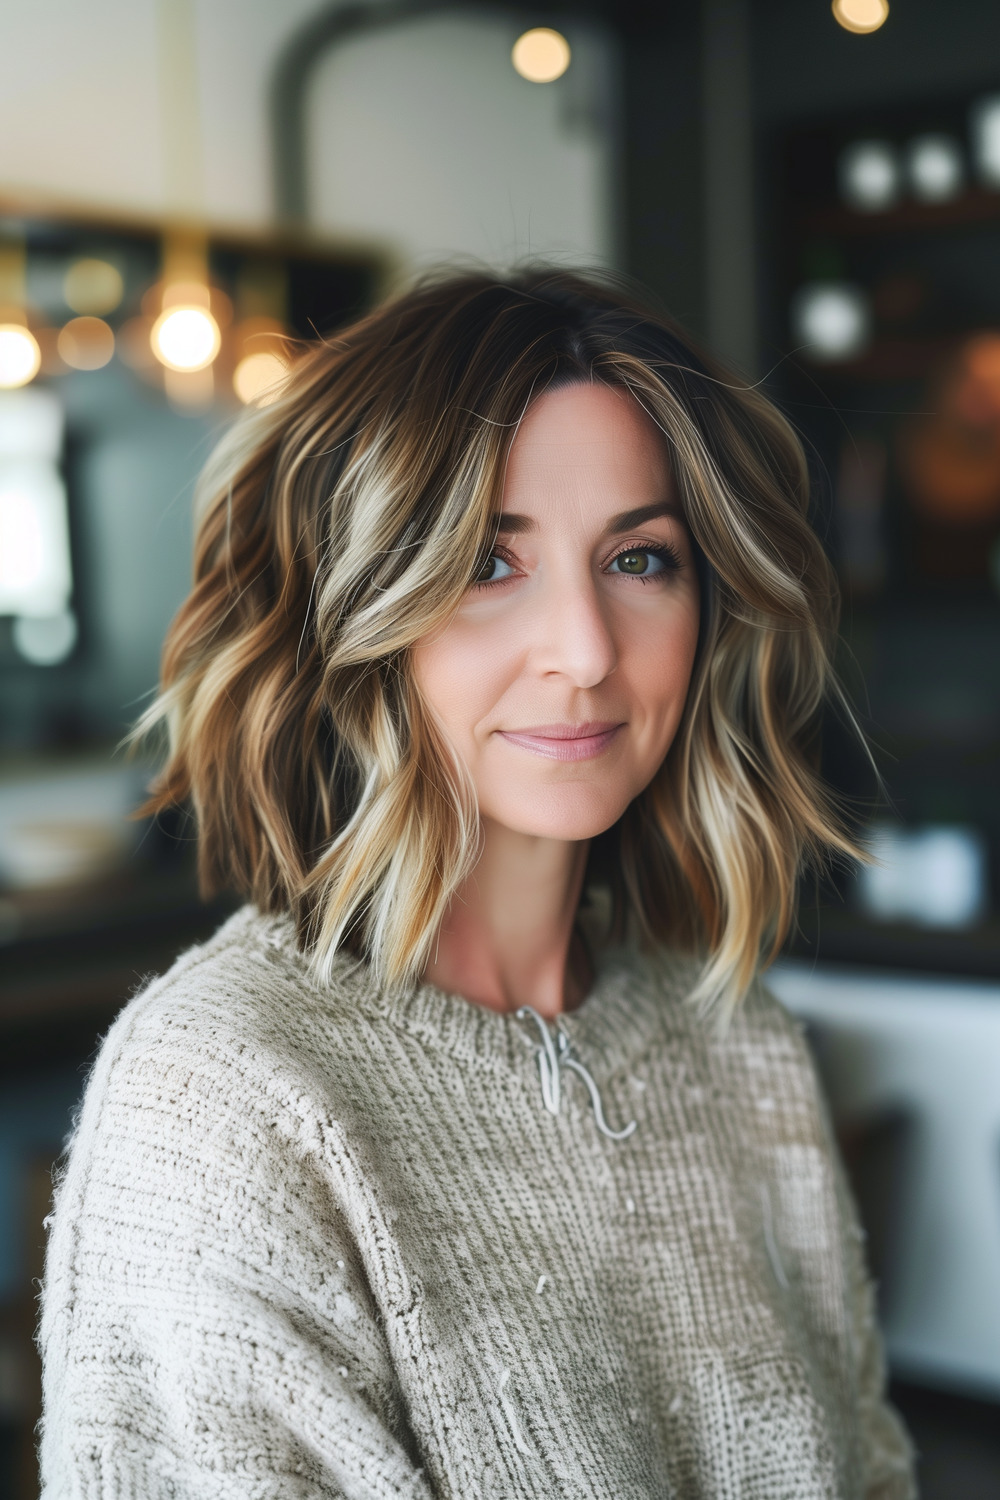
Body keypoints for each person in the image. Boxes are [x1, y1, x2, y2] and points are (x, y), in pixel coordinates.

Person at [38, 268, 915, 1498]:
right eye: (489, 565)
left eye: (641, 559)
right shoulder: (224, 1100)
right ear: (354, 611)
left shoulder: (733, 1040)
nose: (586, 649)